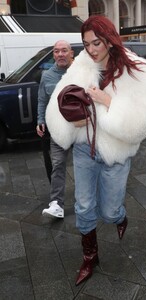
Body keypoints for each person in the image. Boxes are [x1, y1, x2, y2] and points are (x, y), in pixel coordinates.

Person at [46, 15, 146, 285]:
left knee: (109, 211)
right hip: (84, 149)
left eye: (96, 43)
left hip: (115, 154)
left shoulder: (138, 70)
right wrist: (69, 118)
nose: (91, 50)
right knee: (84, 206)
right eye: (86, 44)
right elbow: (58, 101)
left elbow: (144, 120)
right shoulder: (82, 66)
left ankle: (119, 217)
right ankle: (90, 257)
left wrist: (107, 101)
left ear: (109, 39)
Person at [36, 40, 74, 218]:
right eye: (57, 51)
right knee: (57, 165)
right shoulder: (47, 76)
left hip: (81, 130)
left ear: (71, 53)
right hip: (58, 129)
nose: (60, 54)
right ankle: (57, 204)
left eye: (64, 51)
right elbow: (42, 100)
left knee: (89, 164)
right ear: (53, 55)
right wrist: (40, 120)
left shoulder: (80, 72)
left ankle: (92, 199)